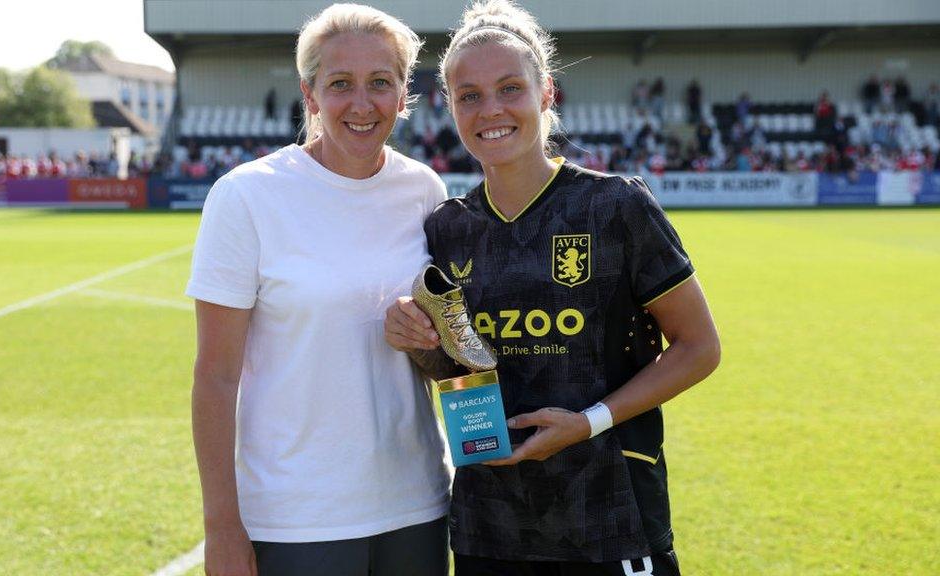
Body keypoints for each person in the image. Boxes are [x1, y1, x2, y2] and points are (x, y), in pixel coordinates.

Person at [384, 1, 721, 574]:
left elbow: (699, 348)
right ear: (451, 108)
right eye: (470, 95)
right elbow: (460, 363)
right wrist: (413, 336)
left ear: (547, 94)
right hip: (491, 524)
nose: (491, 110)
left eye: (510, 88)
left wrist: (587, 422)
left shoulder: (615, 205)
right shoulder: (446, 227)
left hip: (610, 511)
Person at [187, 4, 451, 576]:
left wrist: (422, 338)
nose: (362, 103)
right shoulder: (247, 197)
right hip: (297, 519)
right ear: (310, 95)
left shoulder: (424, 189)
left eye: (381, 83)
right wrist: (222, 528)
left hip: (419, 506)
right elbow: (215, 376)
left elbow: (447, 352)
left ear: (404, 93)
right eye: (340, 84)